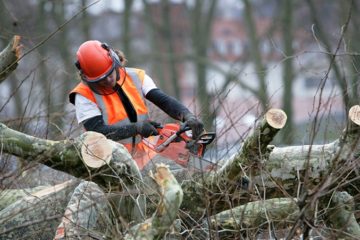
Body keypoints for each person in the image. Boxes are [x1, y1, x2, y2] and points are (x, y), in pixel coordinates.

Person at [69, 40, 204, 170]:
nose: (109, 80)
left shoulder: (136, 76)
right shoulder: (83, 94)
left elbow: (163, 100)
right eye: (102, 80)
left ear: (115, 60)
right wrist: (137, 128)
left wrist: (186, 115)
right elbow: (98, 131)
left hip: (145, 157)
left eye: (110, 73)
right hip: (109, 163)